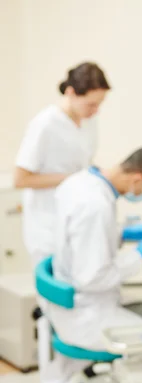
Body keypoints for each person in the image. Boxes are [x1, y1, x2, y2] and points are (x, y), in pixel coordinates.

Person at [46, 146, 142, 383]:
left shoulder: (82, 182)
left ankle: (93, 380)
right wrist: (140, 254)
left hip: (71, 303)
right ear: (138, 179)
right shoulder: (96, 205)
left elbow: (79, 237)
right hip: (87, 313)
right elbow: (93, 278)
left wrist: (120, 233)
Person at [14, 61, 110, 267]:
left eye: (99, 104)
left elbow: (82, 161)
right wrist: (75, 177)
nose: (96, 110)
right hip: (47, 225)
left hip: (76, 218)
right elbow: (20, 179)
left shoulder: (89, 121)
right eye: (91, 104)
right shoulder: (45, 124)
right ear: (71, 92)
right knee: (55, 292)